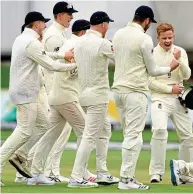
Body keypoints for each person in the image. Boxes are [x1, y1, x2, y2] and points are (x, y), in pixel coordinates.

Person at [0, 11, 76, 187]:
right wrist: (75, 65)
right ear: (36, 24)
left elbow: (45, 54)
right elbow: (49, 64)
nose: (46, 26)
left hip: (27, 92)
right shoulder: (31, 42)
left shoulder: (24, 40)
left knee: (44, 125)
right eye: (43, 23)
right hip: (25, 93)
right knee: (24, 131)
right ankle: (10, 160)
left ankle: (20, 156)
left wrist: (62, 56)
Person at [112, 5, 179, 190]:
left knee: (128, 135)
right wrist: (170, 67)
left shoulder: (118, 34)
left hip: (118, 91)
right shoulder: (144, 39)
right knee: (134, 137)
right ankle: (126, 180)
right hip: (135, 92)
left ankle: (127, 177)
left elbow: (115, 58)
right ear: (147, 21)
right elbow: (153, 71)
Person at [26, 19, 92, 186]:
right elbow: (72, 72)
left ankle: (35, 173)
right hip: (66, 97)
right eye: (90, 33)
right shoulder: (78, 46)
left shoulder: (69, 42)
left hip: (55, 96)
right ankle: (80, 175)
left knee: (50, 135)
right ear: (84, 33)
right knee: (86, 132)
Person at [148, 23, 193, 184]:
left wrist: (180, 60)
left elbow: (186, 75)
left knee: (189, 137)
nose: (167, 41)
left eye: (170, 37)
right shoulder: (151, 53)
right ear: (158, 37)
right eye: (164, 38)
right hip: (160, 98)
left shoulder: (180, 51)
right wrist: (168, 89)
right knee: (159, 131)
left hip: (179, 98)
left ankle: (185, 173)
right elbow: (150, 81)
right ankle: (156, 173)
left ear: (174, 36)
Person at [68, 11, 116, 188]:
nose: (108, 27)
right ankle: (75, 177)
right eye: (108, 24)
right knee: (89, 136)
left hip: (84, 94)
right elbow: (121, 58)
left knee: (104, 130)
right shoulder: (102, 43)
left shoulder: (79, 41)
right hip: (97, 95)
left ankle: (102, 172)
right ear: (103, 24)